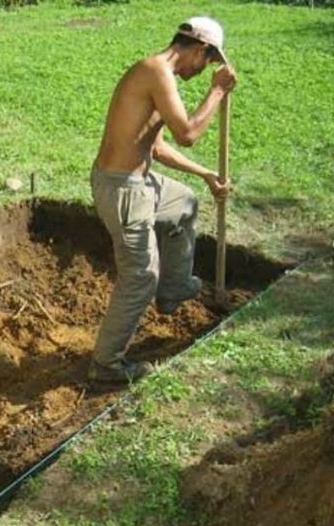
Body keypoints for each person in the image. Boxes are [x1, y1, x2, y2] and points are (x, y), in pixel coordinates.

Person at [88, 16, 238, 384]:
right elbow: (186, 133)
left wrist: (203, 174)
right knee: (140, 278)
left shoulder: (156, 75)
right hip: (123, 190)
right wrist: (217, 92)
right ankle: (105, 365)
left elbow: (156, 145)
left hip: (138, 181)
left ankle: (172, 288)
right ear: (201, 51)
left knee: (183, 203)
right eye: (207, 64)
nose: (204, 72)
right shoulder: (156, 72)